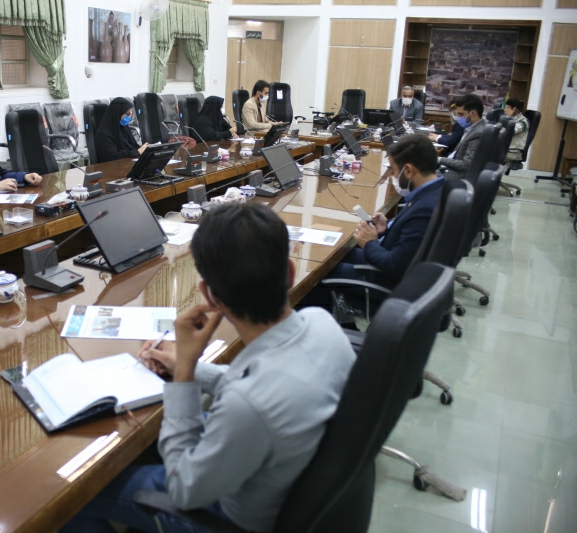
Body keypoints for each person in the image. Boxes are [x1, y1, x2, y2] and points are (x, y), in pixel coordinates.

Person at [60, 203, 356, 533]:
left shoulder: (247, 406)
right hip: (282, 472)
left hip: (229, 518)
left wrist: (185, 372)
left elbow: (184, 489)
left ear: (209, 296)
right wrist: (184, 367)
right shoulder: (321, 323)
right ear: (289, 272)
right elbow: (258, 384)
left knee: (76, 495)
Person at [300, 134, 445, 319]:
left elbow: (394, 265)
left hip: (386, 279)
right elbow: (410, 237)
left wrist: (369, 243)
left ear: (408, 170)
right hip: (393, 260)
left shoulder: (425, 209)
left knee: (314, 273)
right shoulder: (436, 191)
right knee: (333, 251)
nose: (392, 175)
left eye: (393, 170)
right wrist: (388, 226)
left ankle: (329, 327)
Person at [437, 93, 486, 181]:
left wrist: (439, 159)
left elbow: (466, 165)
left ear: (473, 113)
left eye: (461, 114)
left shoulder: (477, 133)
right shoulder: (473, 128)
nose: (458, 118)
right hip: (450, 167)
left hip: (456, 176)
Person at [95, 97, 148, 163]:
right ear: (118, 113)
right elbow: (113, 157)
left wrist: (147, 148)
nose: (130, 117)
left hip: (128, 164)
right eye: (127, 114)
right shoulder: (103, 134)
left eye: (131, 113)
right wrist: (137, 152)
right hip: (113, 167)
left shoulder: (123, 127)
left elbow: (133, 147)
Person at [503, 98, 530, 162]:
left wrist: (508, 117)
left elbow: (508, 132)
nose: (505, 110)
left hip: (512, 153)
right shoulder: (511, 119)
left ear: (515, 110)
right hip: (505, 149)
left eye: (508, 108)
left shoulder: (523, 122)